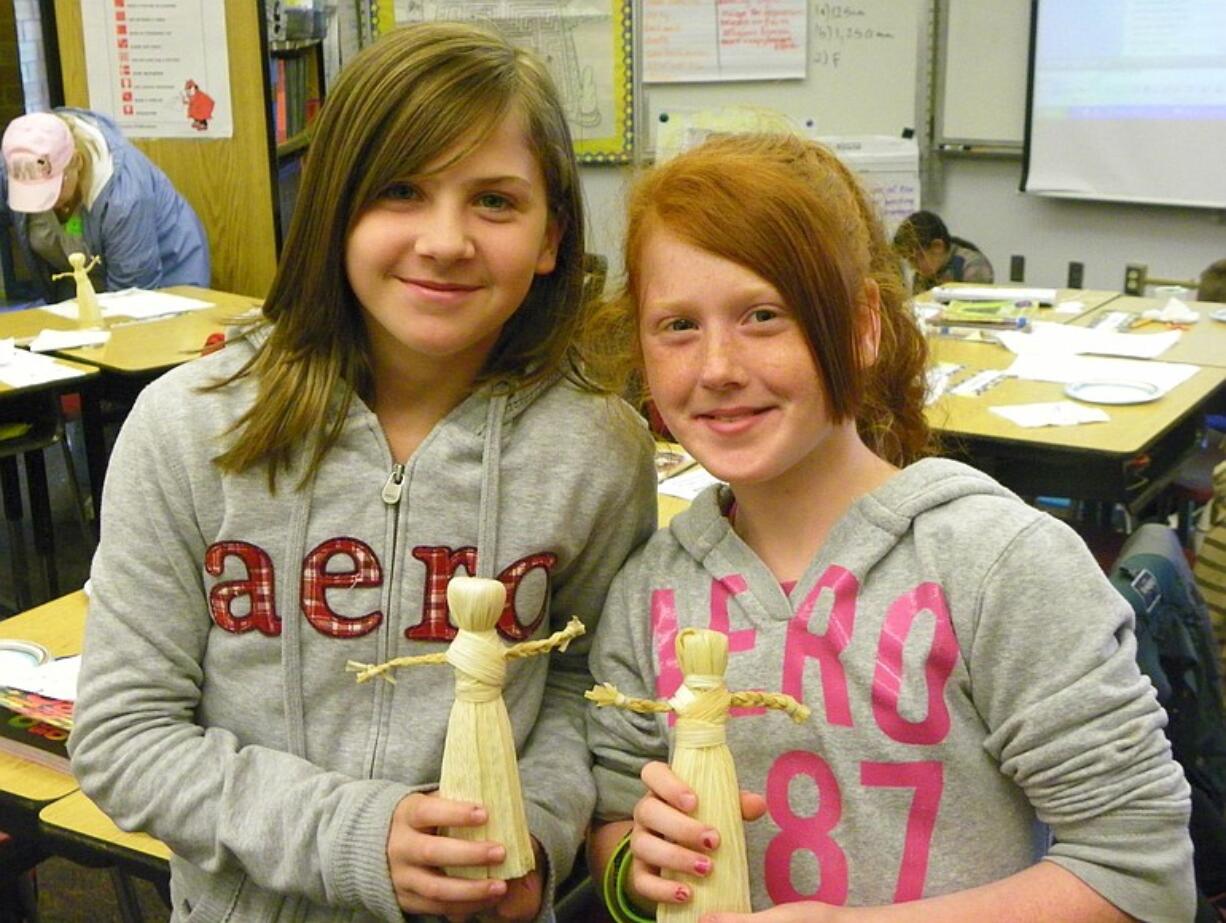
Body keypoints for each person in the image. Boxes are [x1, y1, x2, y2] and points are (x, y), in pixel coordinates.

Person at [67, 22, 656, 923]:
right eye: (400, 191)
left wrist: (530, 831)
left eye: (496, 201)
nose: (446, 239)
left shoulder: (598, 450)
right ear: (335, 209)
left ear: (551, 238)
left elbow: (580, 686)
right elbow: (123, 735)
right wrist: (355, 835)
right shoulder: (190, 425)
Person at [583, 133, 1195, 922]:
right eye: (676, 326)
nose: (716, 367)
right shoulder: (646, 587)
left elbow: (1142, 876)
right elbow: (613, 822)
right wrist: (638, 860)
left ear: (864, 325)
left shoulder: (997, 563)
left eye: (764, 314)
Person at [0, 108, 209, 303]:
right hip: (82, 290)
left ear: (77, 162)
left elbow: (132, 300)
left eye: (52, 189)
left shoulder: (124, 197)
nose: (44, 202)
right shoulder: (22, 159)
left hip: (163, 286)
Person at [893, 209, 993, 294]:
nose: (913, 267)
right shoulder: (922, 275)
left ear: (937, 247)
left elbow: (974, 310)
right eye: (909, 261)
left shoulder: (973, 266)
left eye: (915, 259)